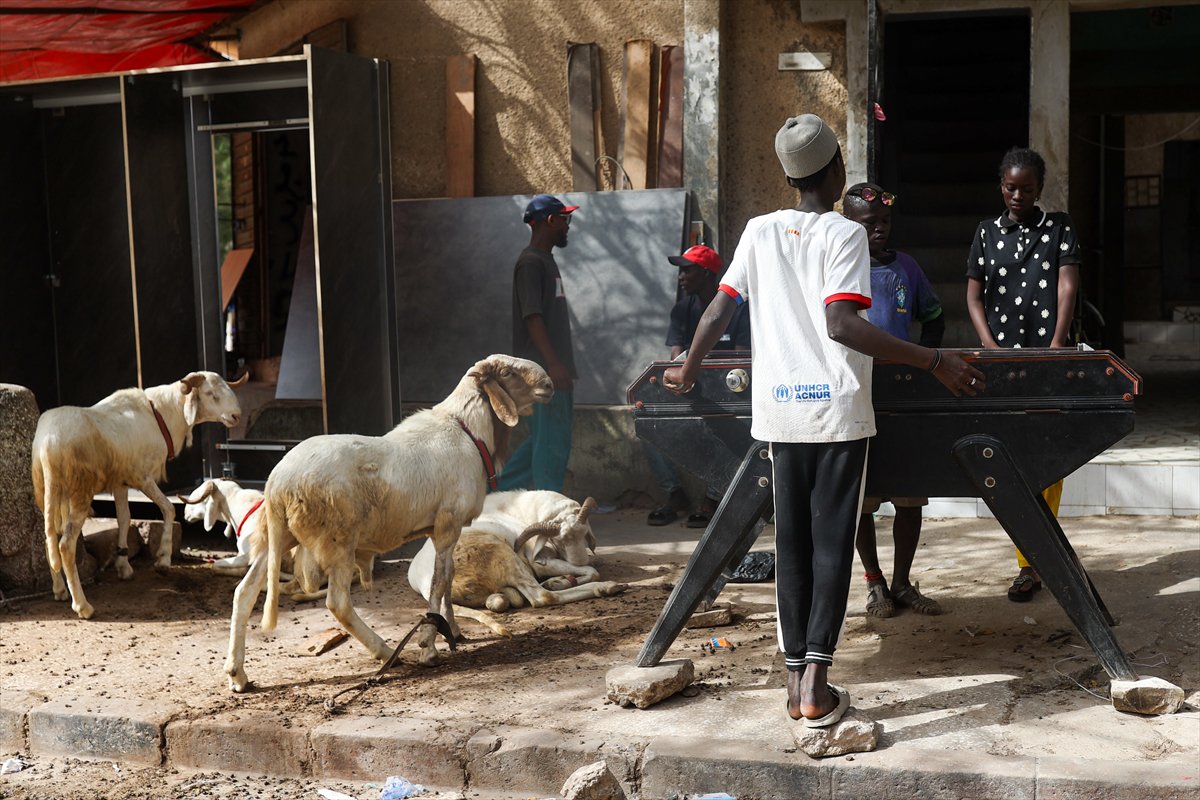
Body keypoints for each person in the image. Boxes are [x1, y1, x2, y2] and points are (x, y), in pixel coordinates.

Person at [663, 113, 984, 727]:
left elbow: (717, 311)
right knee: (831, 544)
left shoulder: (758, 231)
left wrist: (686, 368)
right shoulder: (846, 236)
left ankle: (793, 685)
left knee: (792, 545)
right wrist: (932, 358)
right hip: (835, 413)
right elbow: (841, 323)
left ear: (788, 175)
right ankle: (816, 682)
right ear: (836, 169)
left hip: (780, 413)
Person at [965, 147, 1080, 602]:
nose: (1018, 195)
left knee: (1050, 460)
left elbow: (1067, 282)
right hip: (1003, 364)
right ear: (1001, 187)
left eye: (1027, 189)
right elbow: (974, 296)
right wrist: (990, 349)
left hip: (1047, 359)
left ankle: (1037, 557)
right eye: (1011, 187)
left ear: (1039, 190)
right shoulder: (987, 233)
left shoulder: (1060, 227)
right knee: (1011, 458)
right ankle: (1029, 561)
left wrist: (1057, 343)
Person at [842, 182, 945, 618]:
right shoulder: (840, 271)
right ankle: (874, 582)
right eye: (869, 225)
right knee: (862, 497)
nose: (879, 231)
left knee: (909, 494)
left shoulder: (907, 269)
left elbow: (934, 316)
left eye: (884, 222)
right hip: (856, 394)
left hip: (903, 395)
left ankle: (903, 581)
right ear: (848, 226)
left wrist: (926, 366)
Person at [645, 244, 751, 527]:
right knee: (647, 425)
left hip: (731, 393)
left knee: (727, 430)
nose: (681, 276)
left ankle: (713, 497)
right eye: (680, 270)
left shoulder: (739, 309)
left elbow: (741, 360)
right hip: (692, 389)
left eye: (687, 270)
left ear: (706, 274)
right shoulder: (682, 310)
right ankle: (674, 494)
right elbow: (674, 359)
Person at [497, 194, 579, 493]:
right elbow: (533, 317)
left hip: (548, 368)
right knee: (553, 444)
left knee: (541, 442)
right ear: (550, 221)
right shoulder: (531, 263)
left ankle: (495, 496)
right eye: (564, 220)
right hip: (542, 372)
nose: (567, 226)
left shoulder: (545, 261)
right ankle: (550, 510)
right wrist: (553, 365)